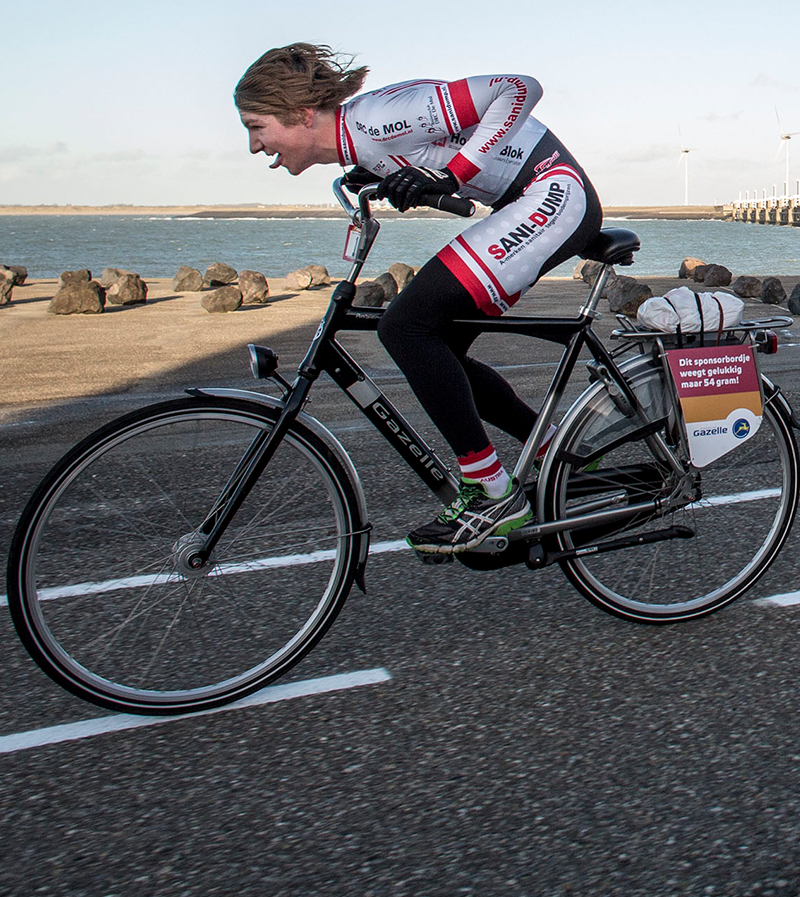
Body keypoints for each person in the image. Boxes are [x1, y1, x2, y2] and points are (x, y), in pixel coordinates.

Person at [235, 44, 602, 553]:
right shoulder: (362, 141)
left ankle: (493, 493)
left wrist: (454, 173)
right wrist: (390, 176)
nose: (254, 145)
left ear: (301, 116)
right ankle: (562, 454)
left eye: (257, 127)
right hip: (527, 200)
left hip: (553, 194)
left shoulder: (378, 120)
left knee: (404, 327)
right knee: (438, 348)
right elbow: (423, 155)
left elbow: (518, 88)